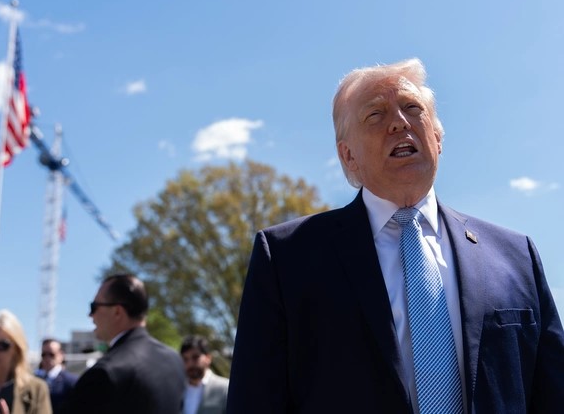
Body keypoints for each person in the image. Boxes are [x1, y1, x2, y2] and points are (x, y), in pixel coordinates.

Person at [227, 58, 564, 413]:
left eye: (412, 108)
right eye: (375, 114)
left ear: (437, 138)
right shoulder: (287, 259)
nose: (399, 122)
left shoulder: (516, 256)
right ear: (348, 155)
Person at [63, 273, 186, 413]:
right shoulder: (174, 359)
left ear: (117, 311)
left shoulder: (106, 372)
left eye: (94, 306)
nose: (90, 315)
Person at [180, 336, 228, 414]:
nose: (190, 364)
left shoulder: (225, 388)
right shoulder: (177, 388)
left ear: (208, 358)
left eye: (195, 357)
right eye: (185, 359)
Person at [35, 339, 77, 414]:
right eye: (44, 355)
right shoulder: (36, 380)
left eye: (51, 354)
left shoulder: (71, 381)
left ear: (61, 355)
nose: (47, 358)